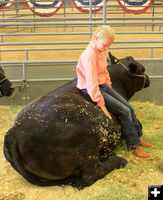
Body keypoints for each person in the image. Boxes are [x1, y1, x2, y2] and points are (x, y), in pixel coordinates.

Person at [76, 25, 152, 158]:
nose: (106, 48)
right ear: (96, 38)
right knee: (124, 111)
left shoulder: (101, 51)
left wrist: (110, 88)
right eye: (105, 44)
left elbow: (105, 72)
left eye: (109, 45)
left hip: (103, 85)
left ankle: (138, 136)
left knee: (129, 107)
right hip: (90, 89)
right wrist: (101, 103)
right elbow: (91, 82)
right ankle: (133, 145)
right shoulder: (89, 56)